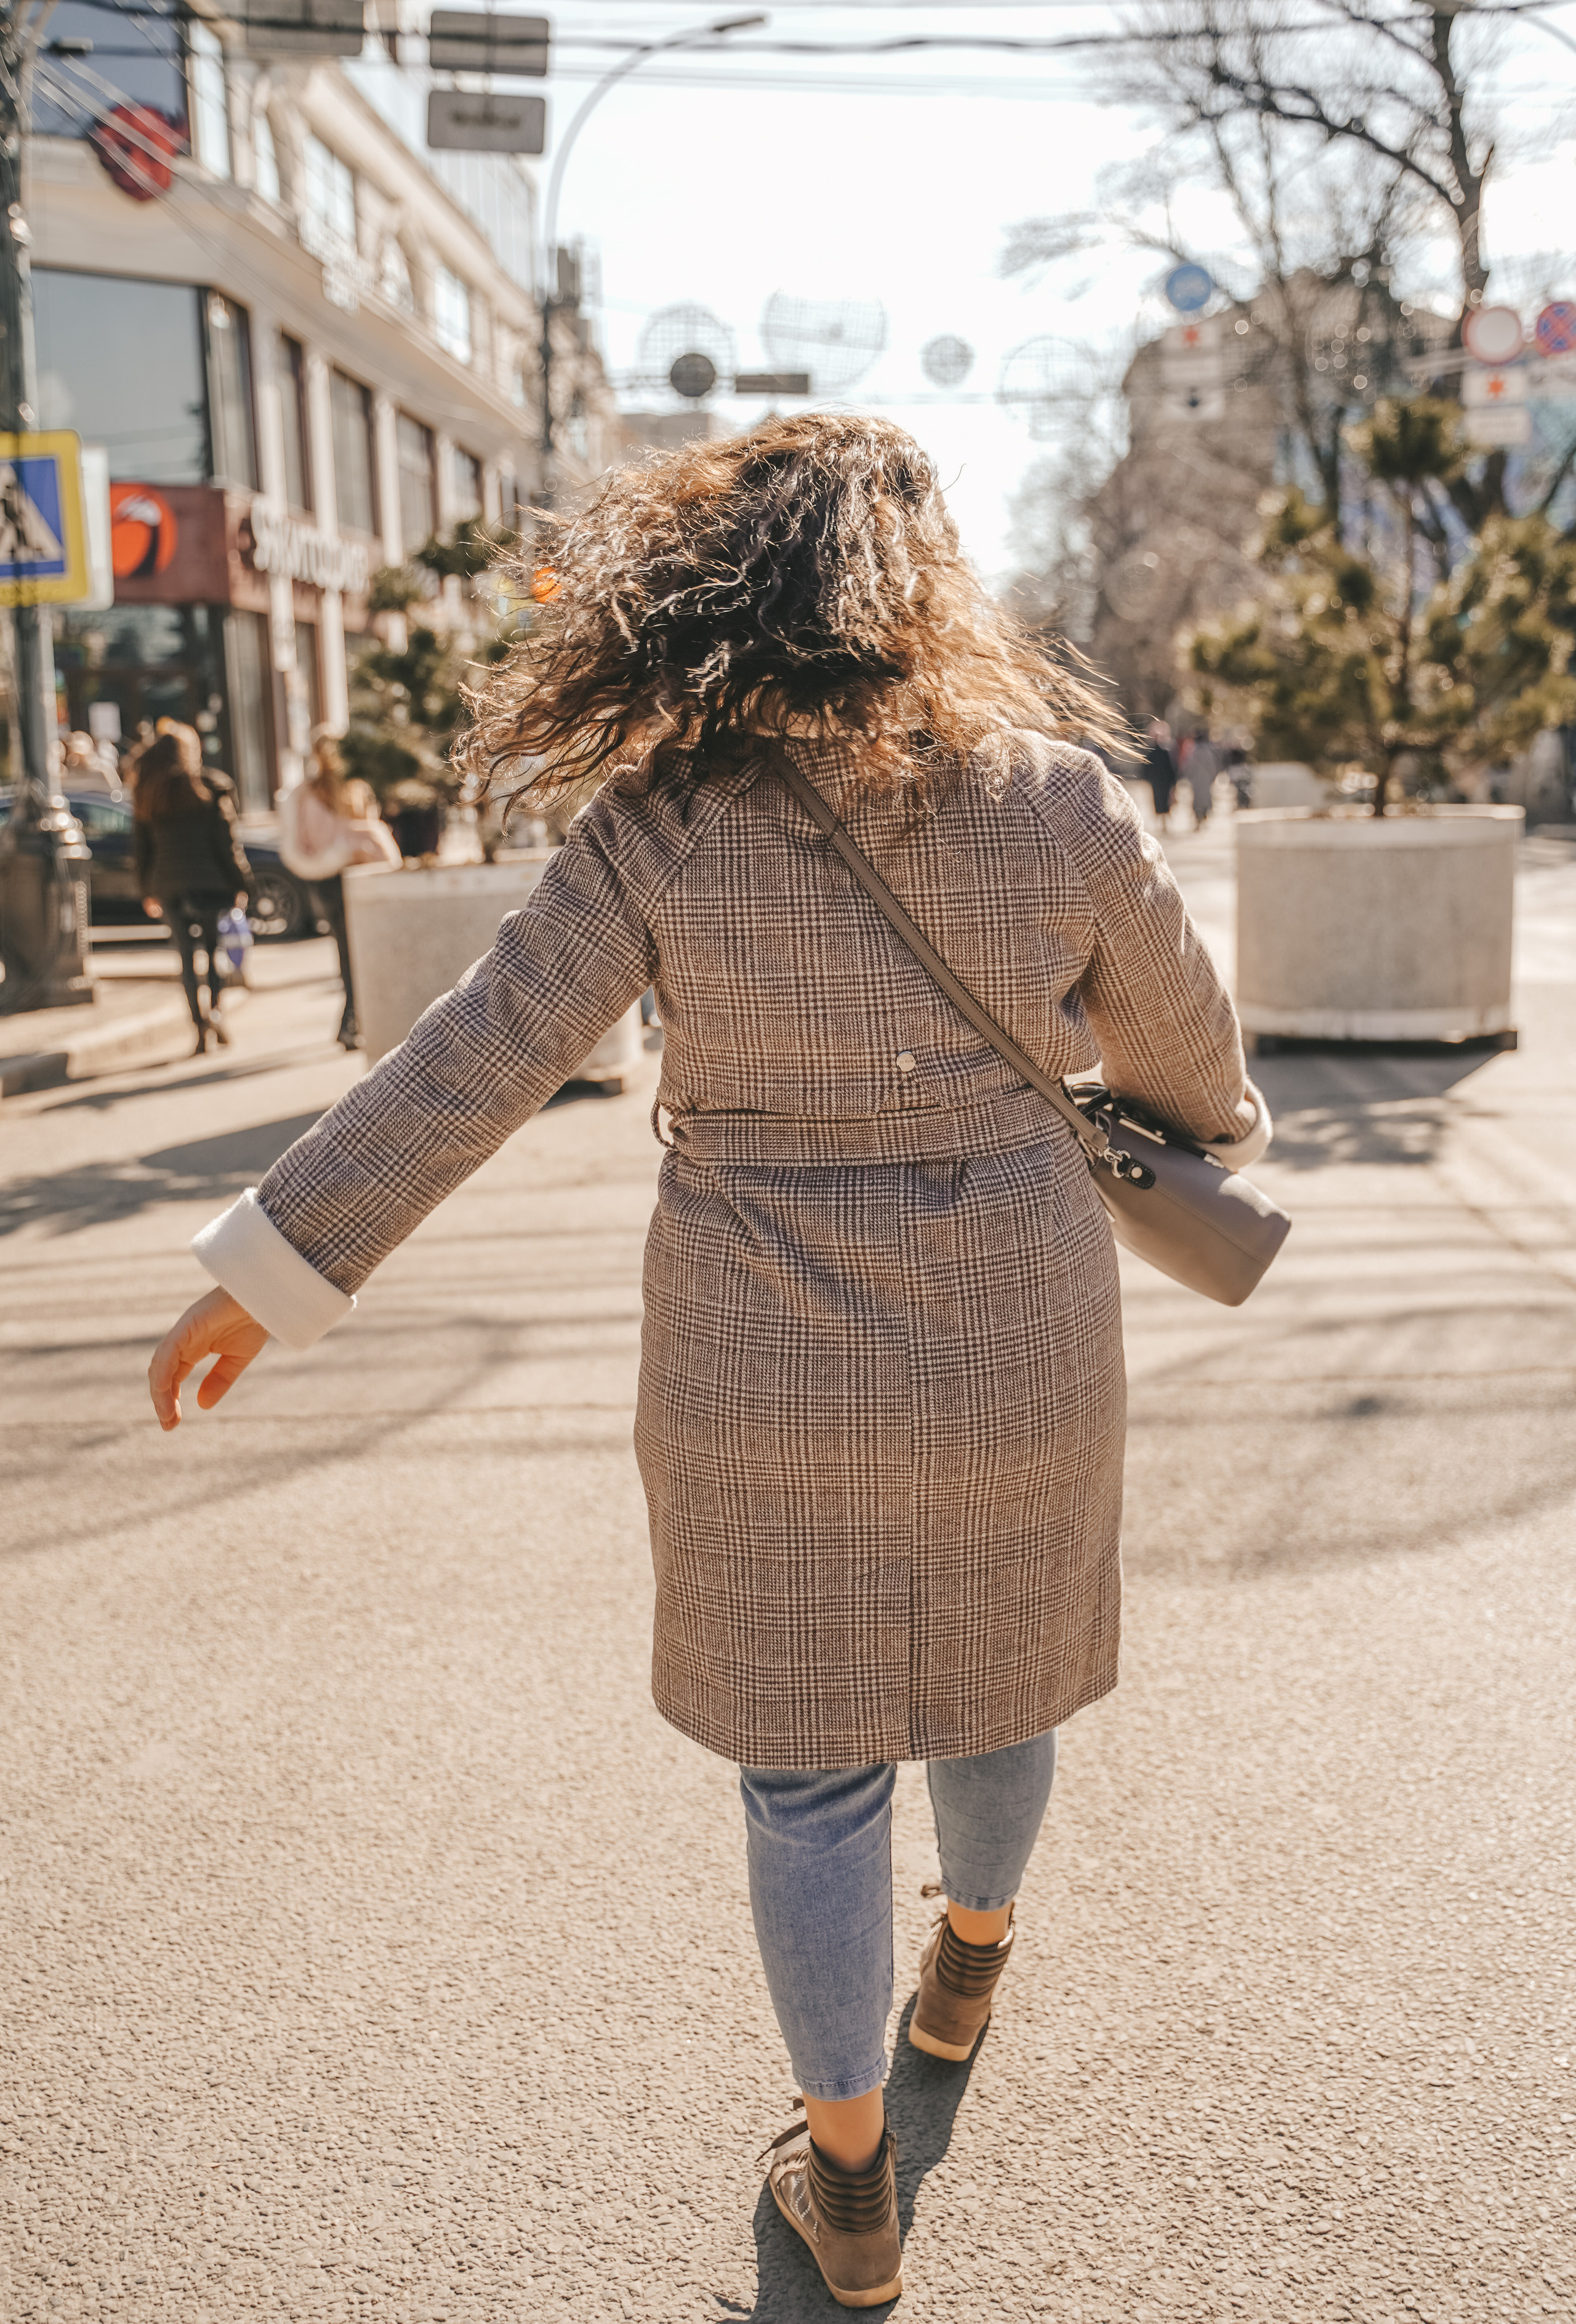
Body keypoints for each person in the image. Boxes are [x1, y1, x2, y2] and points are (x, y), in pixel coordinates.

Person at [147, 416, 1272, 2310]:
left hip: (759, 1354)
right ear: (928, 586)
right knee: (1000, 1680)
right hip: (1018, 1334)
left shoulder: (665, 821)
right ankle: (972, 1951)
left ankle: (850, 2181)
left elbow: (482, 1049)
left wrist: (274, 1268)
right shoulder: (1057, 801)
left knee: (809, 1779)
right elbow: (1200, 1076)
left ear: (721, 591)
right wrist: (1079, 1066)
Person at [133, 719, 250, 1054]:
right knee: (213, 952)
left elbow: (141, 849)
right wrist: (242, 884)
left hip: (167, 885)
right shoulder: (209, 788)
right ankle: (215, 1012)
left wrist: (146, 890)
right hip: (211, 884)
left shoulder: (148, 792)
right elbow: (228, 844)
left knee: (186, 957)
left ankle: (199, 1028)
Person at [277, 732, 400, 1050]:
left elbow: (306, 843)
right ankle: (352, 1022)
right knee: (355, 952)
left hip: (335, 880)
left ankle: (351, 1022)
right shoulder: (344, 790)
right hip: (346, 879)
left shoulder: (323, 793)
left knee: (350, 952)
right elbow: (366, 833)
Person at [1143, 717, 1176, 829]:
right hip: (1158, 780)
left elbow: (1170, 767)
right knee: (1158, 800)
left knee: (1163, 800)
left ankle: (1164, 822)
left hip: (1163, 780)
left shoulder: (1162, 750)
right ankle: (1161, 822)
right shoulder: (1153, 751)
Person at [1186, 724, 1219, 827]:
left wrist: (1189, 778)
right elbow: (1212, 766)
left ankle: (1198, 819)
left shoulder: (1193, 751)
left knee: (1197, 800)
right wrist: (1213, 777)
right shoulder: (1209, 751)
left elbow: (1189, 766)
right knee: (1206, 799)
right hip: (1206, 779)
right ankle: (1204, 817)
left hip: (1196, 780)